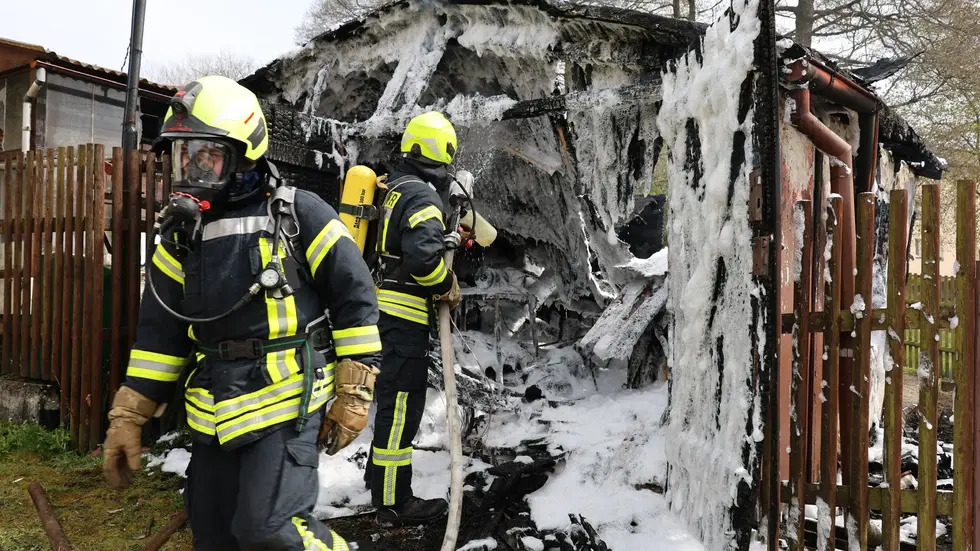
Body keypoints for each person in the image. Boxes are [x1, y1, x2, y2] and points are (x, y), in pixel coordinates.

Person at [101, 75, 382, 551]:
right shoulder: (179, 239)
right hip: (214, 411)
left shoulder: (299, 215)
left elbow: (356, 300)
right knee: (213, 535)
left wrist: (354, 393)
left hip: (287, 401)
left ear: (244, 153)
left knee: (269, 529)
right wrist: (128, 415)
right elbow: (159, 337)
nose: (191, 170)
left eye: (206, 156)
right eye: (181, 156)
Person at [363, 111, 462, 527]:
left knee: (390, 402)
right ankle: (393, 501)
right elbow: (422, 260)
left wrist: (447, 239)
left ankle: (377, 479)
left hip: (381, 312)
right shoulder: (423, 196)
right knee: (401, 406)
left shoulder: (393, 188)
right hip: (403, 320)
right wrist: (446, 284)